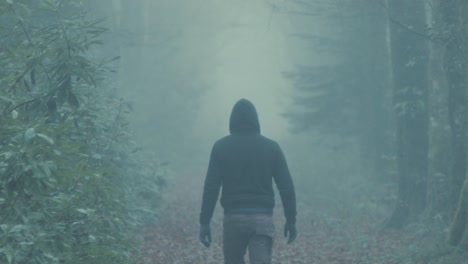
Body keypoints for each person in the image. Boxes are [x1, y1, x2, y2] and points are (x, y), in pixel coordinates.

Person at [199, 98, 297, 264]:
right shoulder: (271, 147)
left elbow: (211, 187)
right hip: (262, 219)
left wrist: (204, 222)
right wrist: (291, 220)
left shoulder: (221, 147)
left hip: (233, 218)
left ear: (232, 120)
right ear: (256, 120)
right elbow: (286, 187)